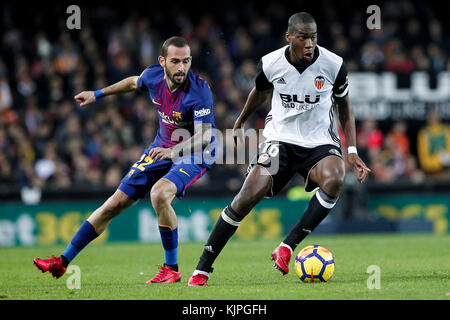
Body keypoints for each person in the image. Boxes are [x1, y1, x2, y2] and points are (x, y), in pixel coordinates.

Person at [188, 12, 371, 287]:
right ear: (290, 38)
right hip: (279, 139)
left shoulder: (333, 64)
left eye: (314, 37)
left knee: (335, 179)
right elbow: (259, 92)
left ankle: (287, 246)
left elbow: (345, 104)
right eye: (304, 38)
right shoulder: (271, 63)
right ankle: (202, 268)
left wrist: (352, 148)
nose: (310, 43)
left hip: (319, 141)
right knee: (246, 197)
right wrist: (240, 120)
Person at [33, 36, 216, 284]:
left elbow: (205, 135)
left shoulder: (199, 89)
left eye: (186, 61)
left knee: (159, 193)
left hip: (194, 151)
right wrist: (97, 94)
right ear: (162, 62)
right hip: (161, 147)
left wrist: (173, 153)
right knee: (113, 204)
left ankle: (171, 268)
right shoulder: (153, 76)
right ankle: (62, 262)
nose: (181, 67)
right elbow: (133, 83)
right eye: (175, 61)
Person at [417, 108, 450, 178]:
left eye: (435, 117)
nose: (434, 119)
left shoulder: (446, 130)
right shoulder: (424, 133)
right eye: (431, 117)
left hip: (447, 169)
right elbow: (423, 156)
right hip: (430, 171)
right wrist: (438, 162)